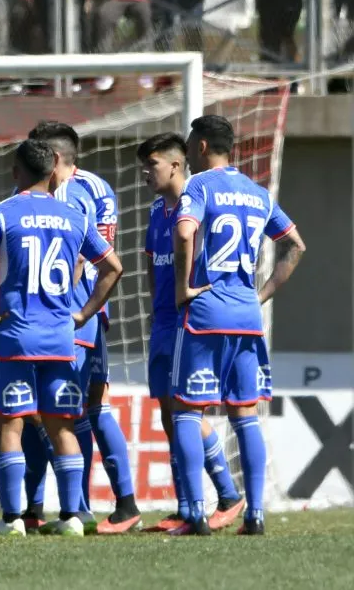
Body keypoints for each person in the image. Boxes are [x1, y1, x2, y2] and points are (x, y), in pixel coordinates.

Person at [0, 138, 123, 537]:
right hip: (60, 339)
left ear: (16, 173)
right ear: (54, 171)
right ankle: (71, 517)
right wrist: (83, 314)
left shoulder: (1, 213)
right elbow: (113, 267)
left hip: (14, 338)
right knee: (62, 426)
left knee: (11, 426)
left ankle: (13, 519)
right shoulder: (75, 217)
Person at [169, 115, 306, 535]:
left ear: (204, 145)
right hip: (247, 316)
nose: (188, 153)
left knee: (187, 411)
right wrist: (260, 295)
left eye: (191, 144)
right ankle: (256, 514)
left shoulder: (198, 186)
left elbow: (185, 231)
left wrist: (182, 287)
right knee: (244, 413)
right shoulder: (257, 193)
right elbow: (295, 245)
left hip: (207, 311)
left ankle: (194, 513)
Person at [27, 121, 140, 534]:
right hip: (96, 313)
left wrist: (57, 297)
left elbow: (76, 255)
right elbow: (103, 250)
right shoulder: (100, 187)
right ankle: (120, 504)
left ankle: (59, 508)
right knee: (92, 407)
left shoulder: (60, 193)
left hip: (66, 315)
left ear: (51, 159)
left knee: (44, 411)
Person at [135, 132, 243, 533]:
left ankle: (228, 495)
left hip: (188, 320)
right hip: (161, 321)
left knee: (187, 412)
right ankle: (184, 508)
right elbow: (151, 261)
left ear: (176, 165)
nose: (145, 173)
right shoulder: (154, 210)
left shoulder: (196, 205)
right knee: (169, 414)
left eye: (152, 165)